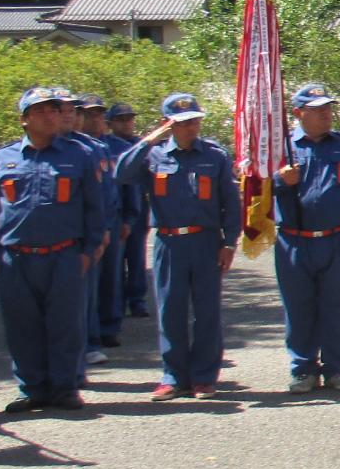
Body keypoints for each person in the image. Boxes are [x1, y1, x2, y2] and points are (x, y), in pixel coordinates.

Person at [116, 92, 242, 400]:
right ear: (167, 125)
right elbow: (120, 172)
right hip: (169, 242)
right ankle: (172, 376)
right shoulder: (153, 155)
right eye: (183, 123)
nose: (191, 128)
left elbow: (231, 203)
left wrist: (229, 243)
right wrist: (150, 139)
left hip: (205, 241)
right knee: (170, 310)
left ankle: (203, 377)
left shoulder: (214, 156)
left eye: (195, 121)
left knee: (206, 312)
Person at [0, 87, 104, 413]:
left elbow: (94, 206)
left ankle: (64, 388)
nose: (51, 115)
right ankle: (33, 389)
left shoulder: (79, 155)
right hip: (16, 257)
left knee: (65, 324)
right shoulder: (4, 158)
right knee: (22, 326)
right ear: (25, 119)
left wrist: (89, 249)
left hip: (65, 255)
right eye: (41, 111)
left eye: (54, 110)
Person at [273, 83, 340, 392]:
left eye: (328, 108)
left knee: (337, 305)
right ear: (298, 113)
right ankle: (303, 369)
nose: (326, 115)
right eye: (318, 111)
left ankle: (337, 368)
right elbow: (254, 193)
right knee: (299, 307)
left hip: (337, 238)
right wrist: (279, 180)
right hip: (294, 239)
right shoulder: (281, 148)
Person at [74, 95, 127, 356]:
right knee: (84, 286)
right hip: (77, 228)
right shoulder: (80, 148)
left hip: (107, 221)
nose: (94, 118)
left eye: (98, 114)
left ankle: (103, 331)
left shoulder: (99, 148)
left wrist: (122, 219)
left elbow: (112, 189)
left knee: (108, 278)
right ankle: (86, 339)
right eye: (88, 113)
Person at [107, 101, 151, 319]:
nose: (126, 124)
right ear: (111, 123)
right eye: (121, 120)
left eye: (129, 118)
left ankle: (137, 299)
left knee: (137, 255)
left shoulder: (141, 144)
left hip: (140, 205)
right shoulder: (107, 146)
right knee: (115, 259)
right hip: (118, 206)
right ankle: (117, 302)